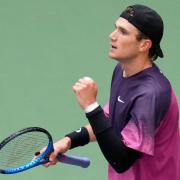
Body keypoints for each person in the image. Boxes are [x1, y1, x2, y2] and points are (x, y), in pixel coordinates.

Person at [42, 4, 180, 180]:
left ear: (144, 45)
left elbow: (121, 160)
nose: (112, 36)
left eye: (123, 32)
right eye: (115, 28)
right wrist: (68, 141)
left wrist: (91, 106)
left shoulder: (151, 94)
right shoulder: (122, 71)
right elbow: (110, 122)